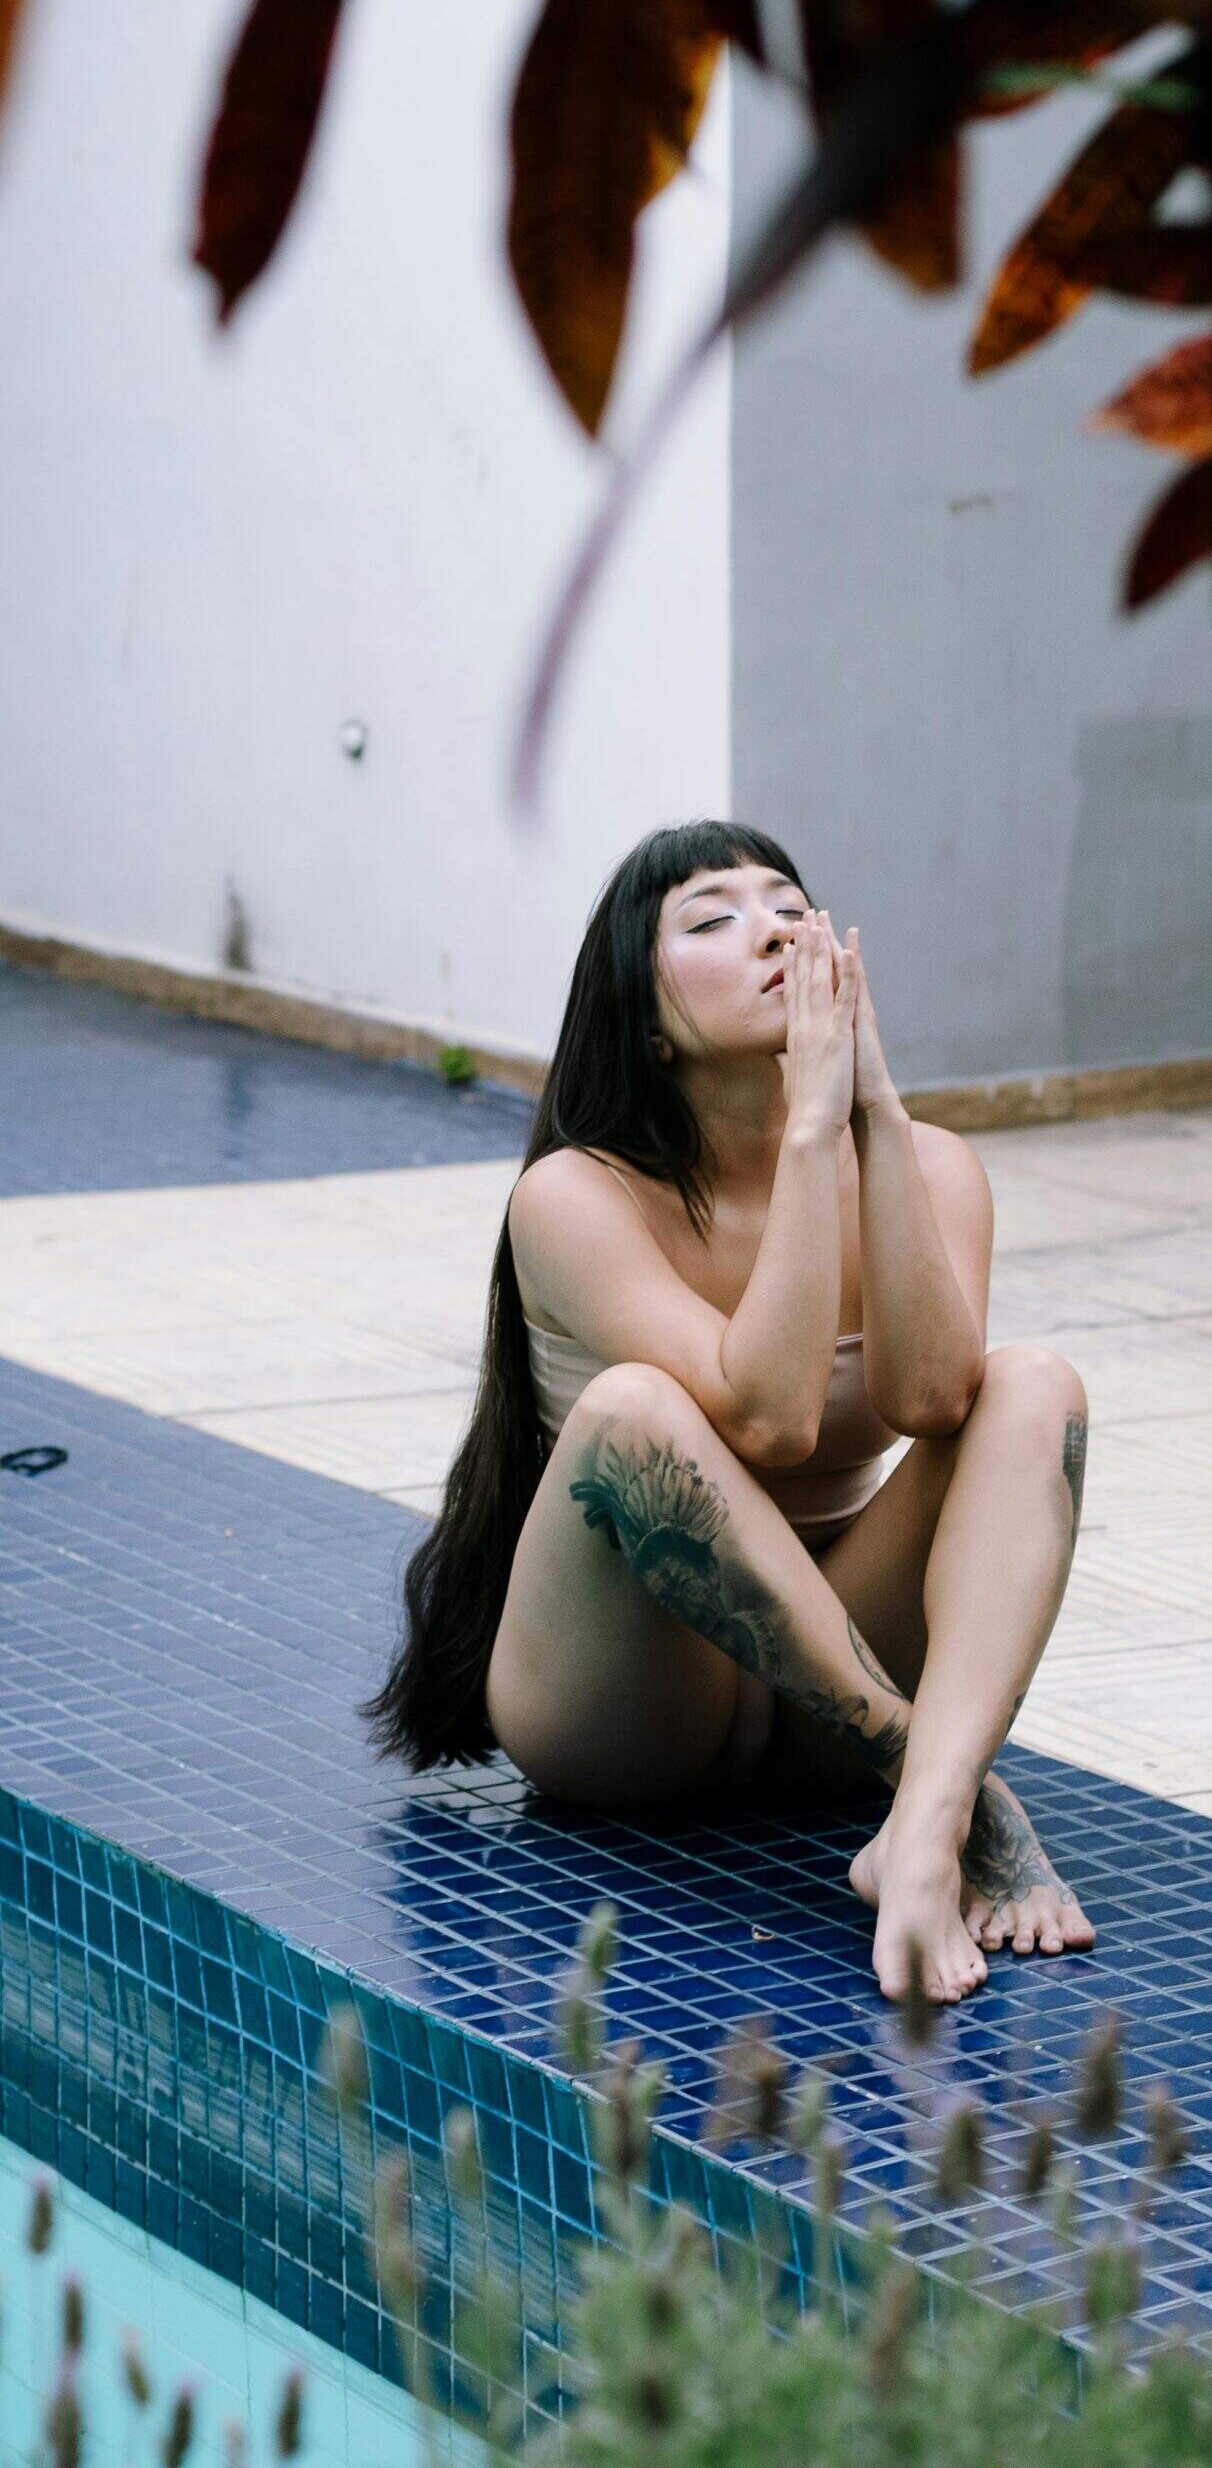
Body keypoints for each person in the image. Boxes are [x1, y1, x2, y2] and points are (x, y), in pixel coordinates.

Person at [359, 822, 1095, 2003]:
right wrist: (810, 1129)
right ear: (647, 1024)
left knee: (1033, 1388)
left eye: (792, 907)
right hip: (625, 1699)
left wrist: (877, 1117)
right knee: (638, 1409)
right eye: (711, 918)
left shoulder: (935, 1165)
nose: (775, 930)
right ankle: (948, 1789)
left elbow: (933, 1397)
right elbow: (766, 1420)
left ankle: (916, 1827)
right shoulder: (573, 1194)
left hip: (829, 1697)